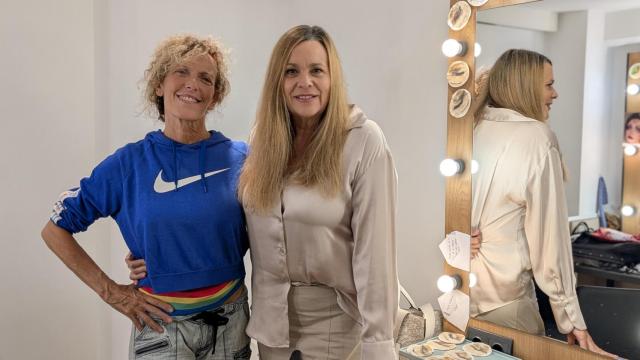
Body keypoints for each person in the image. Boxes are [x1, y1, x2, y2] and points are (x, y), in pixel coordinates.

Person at [41, 34, 251, 359]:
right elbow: (55, 230)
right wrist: (112, 293)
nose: (193, 84)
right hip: (161, 329)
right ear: (158, 85)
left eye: (205, 78)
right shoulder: (129, 165)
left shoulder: (241, 159)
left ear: (215, 96)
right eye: (181, 72)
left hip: (231, 323)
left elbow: (269, 233)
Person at [238, 25, 399, 360]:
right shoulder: (261, 139)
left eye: (316, 71)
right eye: (291, 71)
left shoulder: (363, 140)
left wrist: (379, 345)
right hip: (270, 325)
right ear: (277, 82)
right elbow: (247, 227)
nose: (305, 82)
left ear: (332, 78)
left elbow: (375, 255)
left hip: (335, 327)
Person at [469, 49, 614, 358]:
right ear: (525, 85)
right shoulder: (537, 138)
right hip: (508, 305)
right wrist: (570, 316)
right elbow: (550, 239)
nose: (555, 93)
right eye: (549, 85)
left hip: (460, 298)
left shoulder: (471, 129)